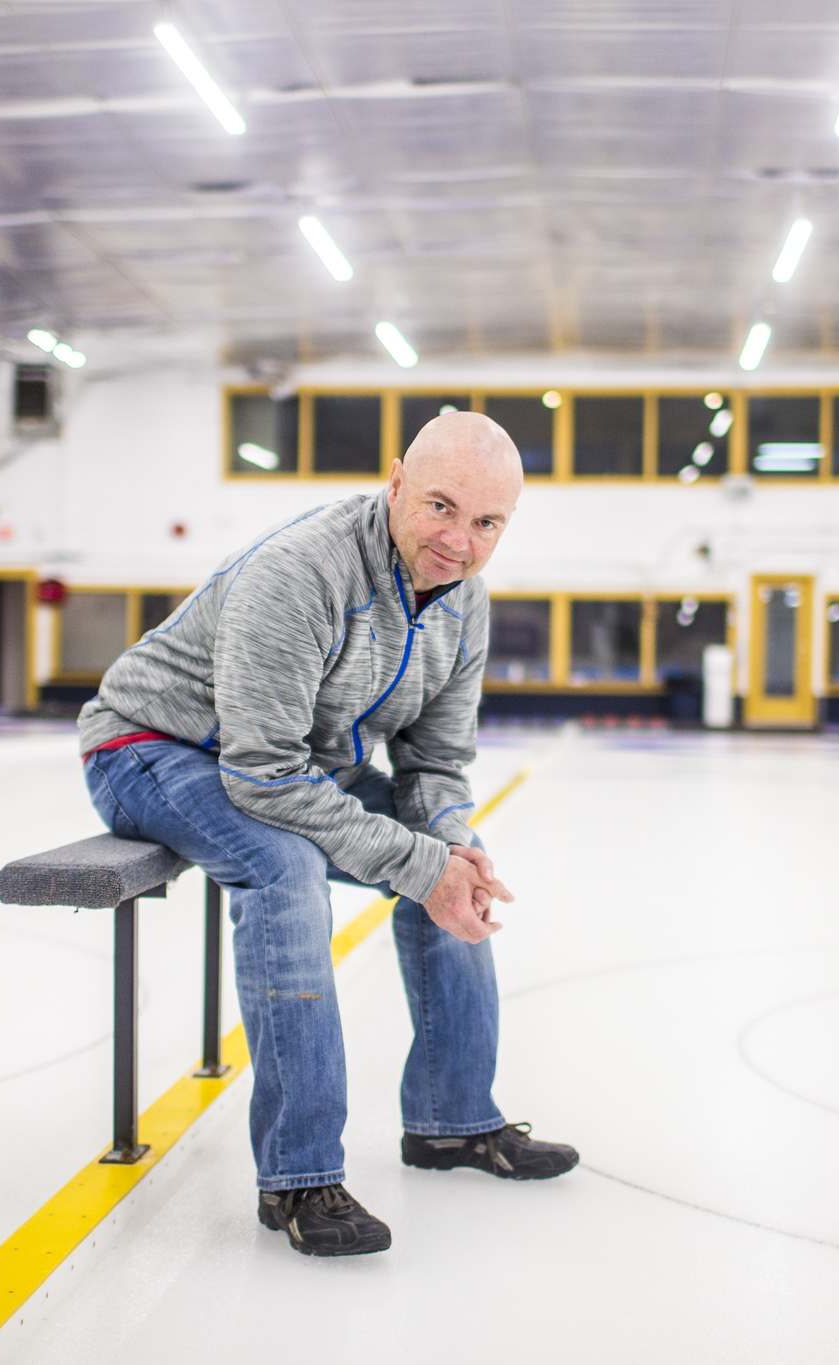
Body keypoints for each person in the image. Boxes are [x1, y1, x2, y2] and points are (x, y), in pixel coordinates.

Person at [78, 411, 577, 1257]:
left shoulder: (465, 606)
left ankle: (452, 1120)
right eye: (441, 507)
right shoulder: (301, 571)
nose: (460, 540)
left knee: (449, 857)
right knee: (285, 866)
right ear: (394, 484)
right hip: (153, 747)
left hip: (298, 761)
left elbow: (437, 765)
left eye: (487, 522)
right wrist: (417, 859)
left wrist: (448, 846)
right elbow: (261, 774)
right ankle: (300, 1176)